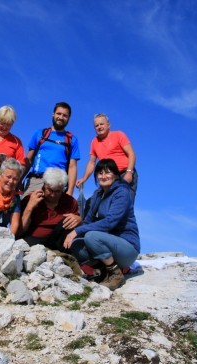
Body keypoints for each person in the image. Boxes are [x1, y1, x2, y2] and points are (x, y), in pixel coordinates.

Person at [64, 159, 140, 290]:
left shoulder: (122, 192)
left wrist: (77, 231)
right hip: (108, 244)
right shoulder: (97, 194)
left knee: (91, 237)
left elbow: (110, 222)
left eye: (108, 172)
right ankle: (103, 271)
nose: (103, 176)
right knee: (76, 244)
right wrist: (73, 234)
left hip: (127, 247)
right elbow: (88, 221)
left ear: (116, 175)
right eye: (100, 173)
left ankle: (116, 274)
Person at [23, 102, 80, 197]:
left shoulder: (72, 139)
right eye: (59, 113)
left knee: (54, 212)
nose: (61, 117)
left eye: (65, 115)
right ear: (53, 114)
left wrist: (70, 191)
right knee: (26, 208)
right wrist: (19, 179)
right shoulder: (40, 134)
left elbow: (72, 166)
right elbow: (29, 160)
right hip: (37, 180)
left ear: (69, 118)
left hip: (58, 185)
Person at [76, 113, 137, 198]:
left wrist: (129, 172)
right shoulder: (94, 141)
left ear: (108, 125)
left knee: (123, 204)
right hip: (107, 176)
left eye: (102, 124)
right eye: (96, 125)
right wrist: (84, 178)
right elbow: (92, 162)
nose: (99, 127)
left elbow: (131, 154)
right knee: (96, 202)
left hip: (123, 173)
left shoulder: (118, 135)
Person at [20, 167, 81, 252]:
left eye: (57, 191)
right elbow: (20, 231)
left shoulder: (70, 202)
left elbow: (77, 224)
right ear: (44, 185)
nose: (53, 195)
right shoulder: (30, 199)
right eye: (50, 190)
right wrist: (30, 207)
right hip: (33, 242)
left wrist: (79, 220)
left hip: (58, 243)